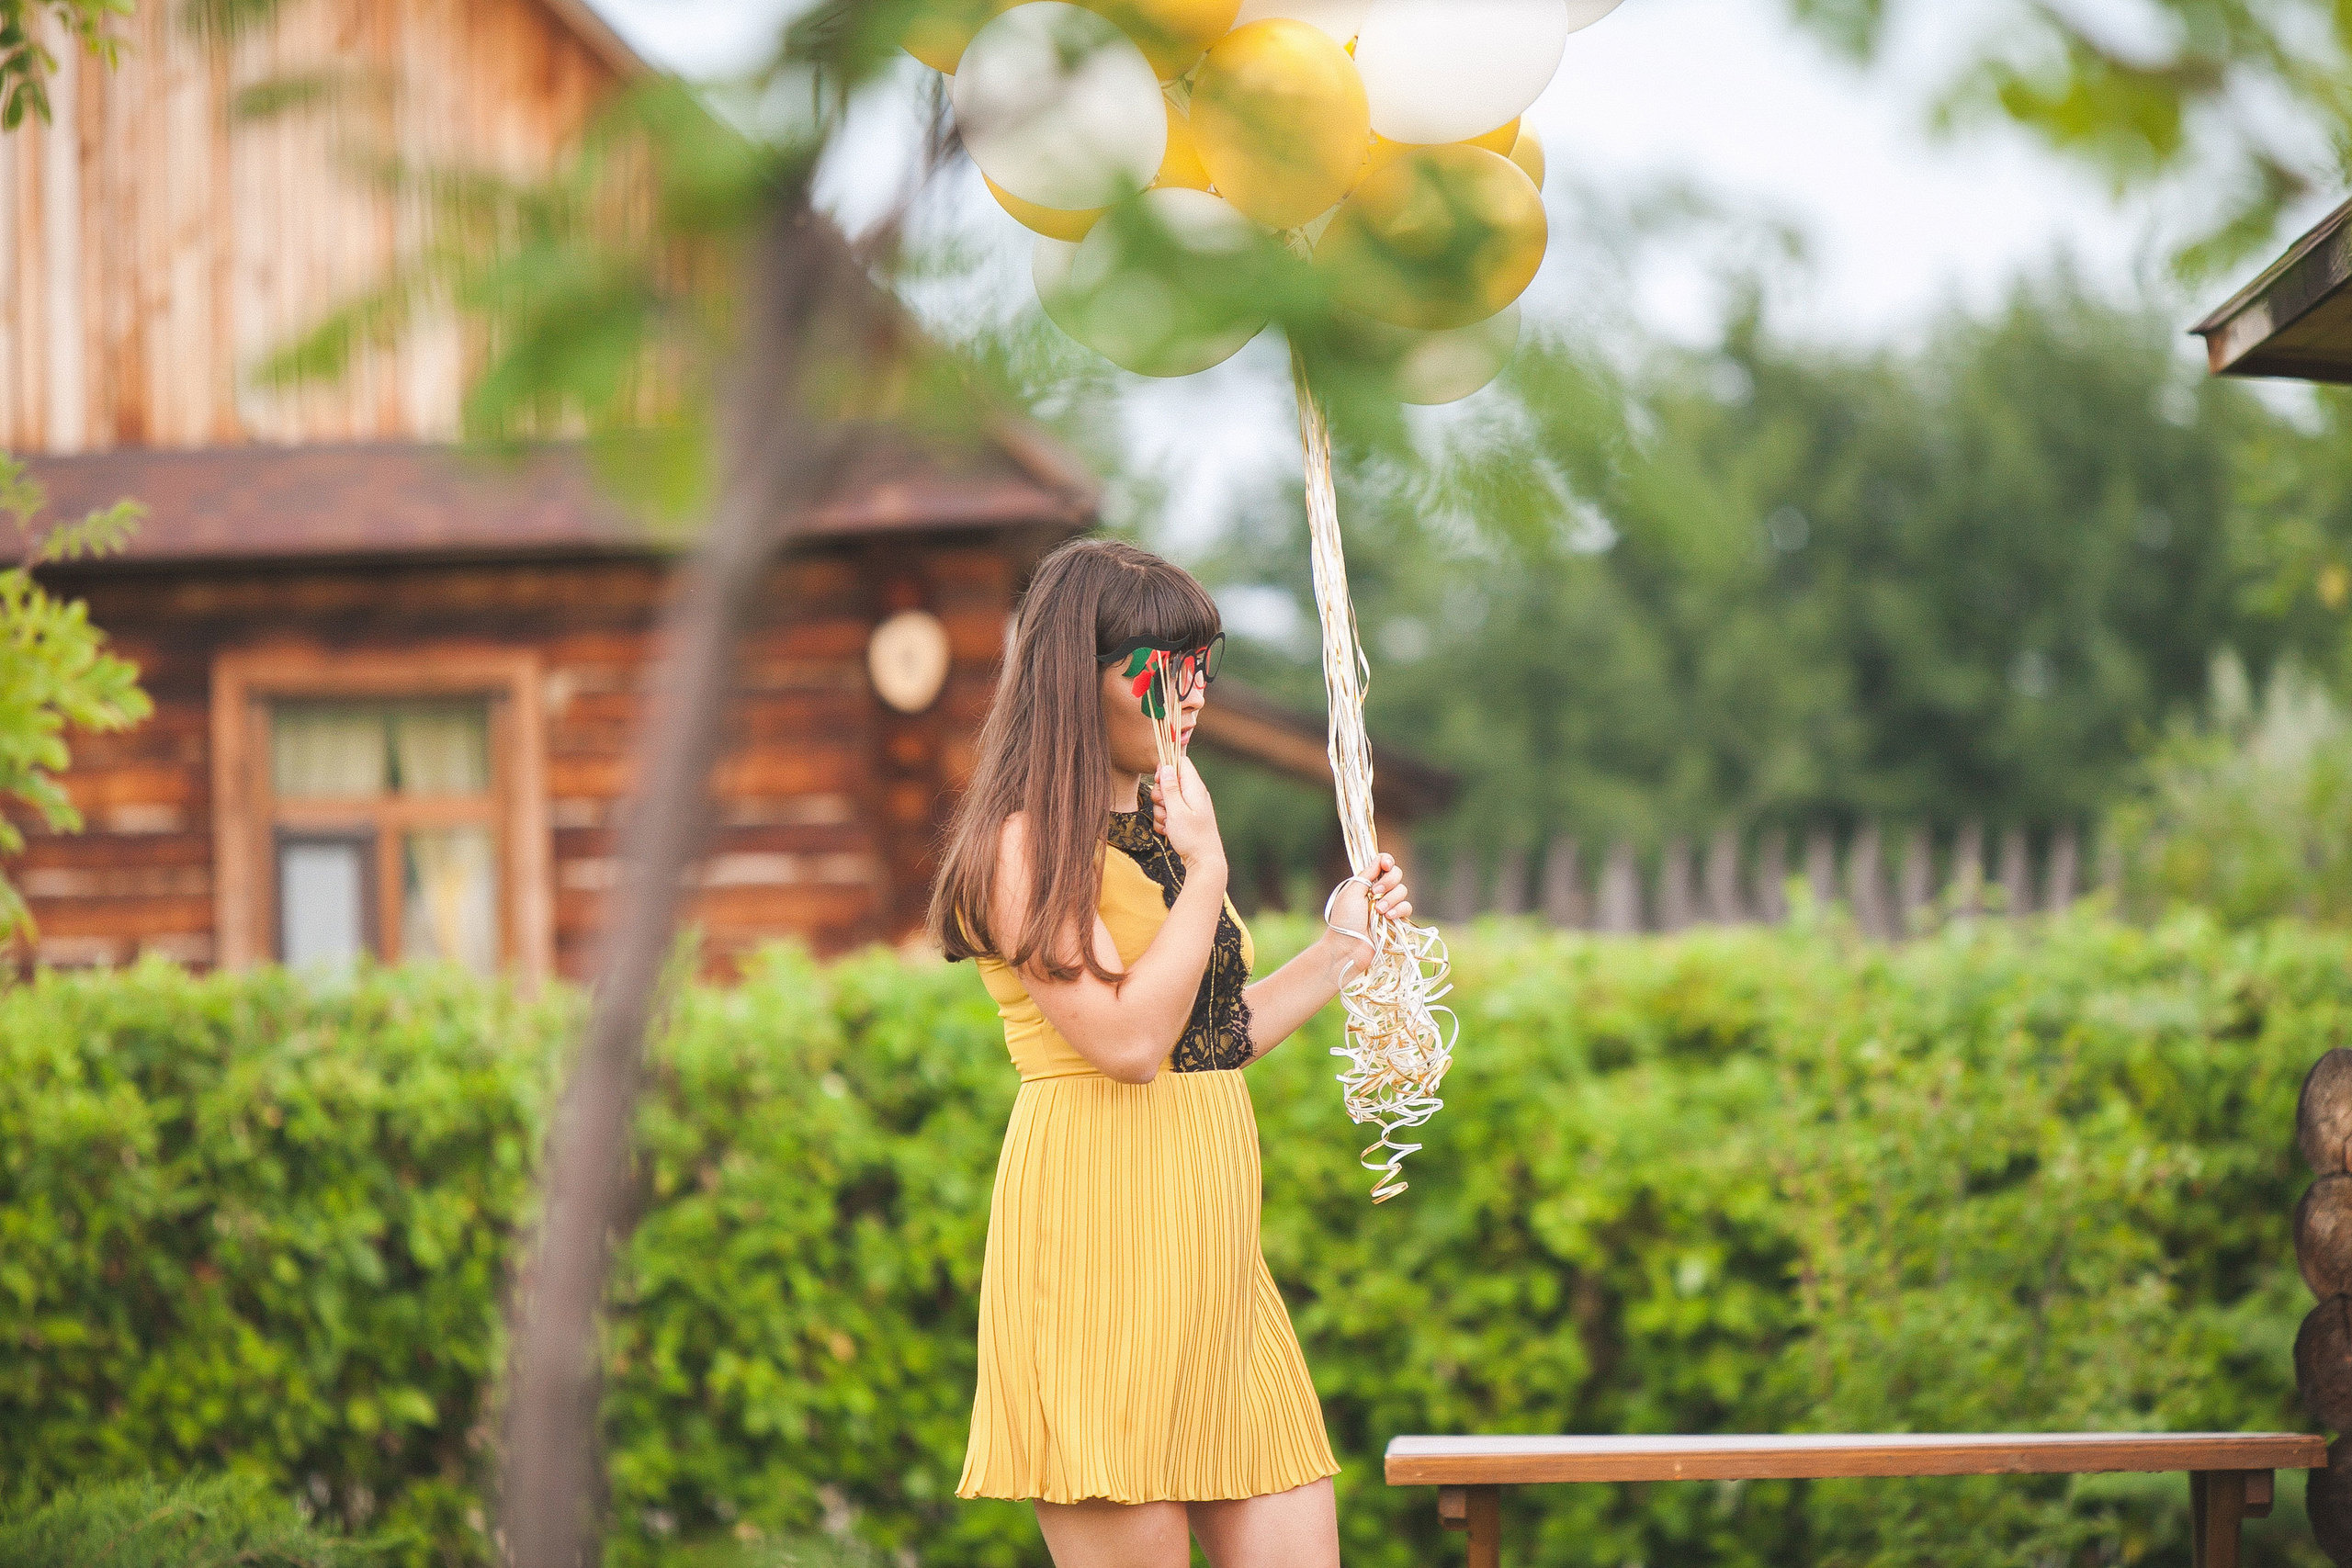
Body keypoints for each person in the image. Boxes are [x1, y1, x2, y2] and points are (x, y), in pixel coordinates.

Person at [931, 537, 1412, 1568]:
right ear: (1078, 679)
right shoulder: (1022, 846)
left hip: (1216, 1273)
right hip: (1099, 1254)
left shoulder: (1161, 836)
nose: (1189, 694)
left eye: (1201, 665)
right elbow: (1129, 1041)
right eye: (1160, 669)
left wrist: (1344, 948)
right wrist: (1209, 872)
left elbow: (1206, 1041)